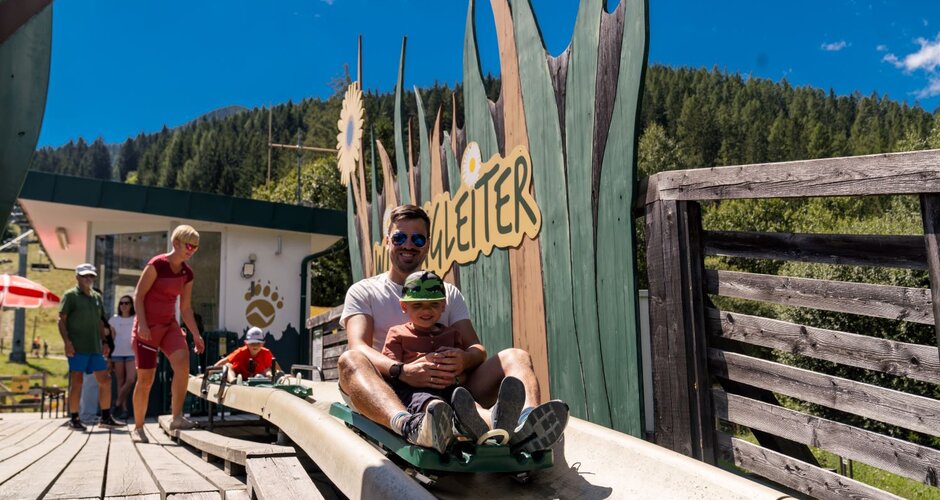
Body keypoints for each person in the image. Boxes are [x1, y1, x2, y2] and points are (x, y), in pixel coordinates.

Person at [339, 204, 569, 454]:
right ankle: (408, 424)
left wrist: (464, 359)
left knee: (517, 356)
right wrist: (402, 371)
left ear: (427, 243)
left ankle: (526, 425)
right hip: (393, 392)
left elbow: (476, 348)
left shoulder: (447, 293)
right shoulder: (365, 291)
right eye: (399, 237)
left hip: (452, 388)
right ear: (387, 241)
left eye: (417, 238)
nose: (408, 245)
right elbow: (359, 346)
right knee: (350, 359)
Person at [382, 269, 524, 452]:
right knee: (433, 405)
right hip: (416, 391)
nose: (426, 311)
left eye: (433, 305)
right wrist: (410, 370)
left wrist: (458, 376)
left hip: (452, 389)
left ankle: (500, 425)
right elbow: (390, 370)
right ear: (404, 307)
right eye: (417, 305)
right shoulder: (397, 334)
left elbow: (465, 372)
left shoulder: (452, 334)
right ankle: (446, 425)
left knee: (469, 404)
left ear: (443, 306)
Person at [131, 225, 206, 443]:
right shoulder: (157, 265)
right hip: (147, 327)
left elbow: (185, 308)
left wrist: (196, 335)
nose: (192, 250)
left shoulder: (187, 273)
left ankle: (177, 417)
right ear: (176, 243)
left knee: (183, 364)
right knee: (146, 380)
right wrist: (142, 325)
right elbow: (138, 295)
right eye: (189, 245)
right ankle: (138, 427)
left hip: (169, 325)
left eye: (196, 247)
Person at [58, 263, 122, 430]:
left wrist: (105, 342)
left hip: (95, 348)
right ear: (77, 277)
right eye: (85, 276)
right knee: (77, 382)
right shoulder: (70, 296)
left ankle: (106, 417)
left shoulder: (96, 297)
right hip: (77, 347)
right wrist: (67, 343)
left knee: (105, 380)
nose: (88, 279)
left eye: (91, 276)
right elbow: (61, 321)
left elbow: (100, 322)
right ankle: (74, 419)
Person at [212, 327, 281, 382]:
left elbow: (277, 368)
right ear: (246, 343)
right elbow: (225, 361)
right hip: (238, 376)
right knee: (228, 365)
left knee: (268, 370)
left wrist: (281, 375)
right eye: (252, 343)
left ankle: (270, 380)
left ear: (263, 344)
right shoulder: (241, 351)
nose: (255, 346)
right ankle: (233, 381)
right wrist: (210, 371)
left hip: (257, 378)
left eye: (258, 343)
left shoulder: (266, 353)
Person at [109, 294, 137, 420]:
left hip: (132, 353)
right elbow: (112, 338)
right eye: (121, 303)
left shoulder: (136, 318)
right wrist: (109, 356)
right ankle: (124, 410)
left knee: (130, 379)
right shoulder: (114, 320)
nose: (124, 306)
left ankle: (117, 403)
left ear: (131, 305)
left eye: (127, 303)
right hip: (117, 353)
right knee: (120, 381)